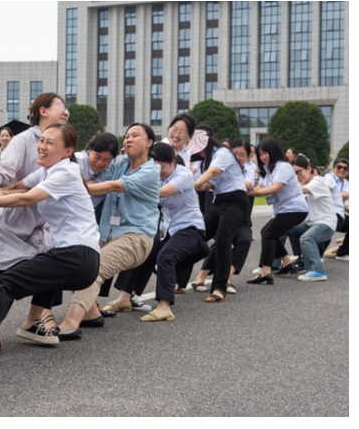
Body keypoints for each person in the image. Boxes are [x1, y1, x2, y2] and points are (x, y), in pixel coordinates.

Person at [0, 124, 100, 363]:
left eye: (50, 143)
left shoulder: (65, 172)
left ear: (68, 151)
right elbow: (19, 186)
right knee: (40, 257)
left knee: (5, 283)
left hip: (77, 255)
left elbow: (25, 198)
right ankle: (31, 324)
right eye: (41, 140)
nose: (42, 147)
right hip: (75, 257)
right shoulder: (46, 171)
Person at [0, 93, 69, 334]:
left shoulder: (64, 145)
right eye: (61, 106)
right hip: (5, 220)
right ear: (43, 111)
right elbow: (4, 170)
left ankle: (32, 321)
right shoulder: (24, 140)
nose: (66, 111)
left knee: (51, 266)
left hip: (36, 221)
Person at [56, 123, 159, 338]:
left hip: (136, 236)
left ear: (149, 142)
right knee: (77, 262)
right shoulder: (119, 162)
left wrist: (71, 186)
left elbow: (111, 186)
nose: (129, 139)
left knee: (94, 269)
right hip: (106, 233)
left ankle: (70, 324)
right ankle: (91, 313)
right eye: (127, 135)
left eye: (135, 136)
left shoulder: (151, 170)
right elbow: (96, 178)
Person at [105, 143, 209, 322]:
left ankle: (164, 307)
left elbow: (160, 193)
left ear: (172, 162)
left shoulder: (183, 175)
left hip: (190, 228)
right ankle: (124, 298)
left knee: (165, 257)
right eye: (154, 168)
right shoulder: (153, 175)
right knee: (141, 250)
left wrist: (134, 186)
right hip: (167, 229)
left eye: (161, 167)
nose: (157, 172)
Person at [193, 126, 250, 303]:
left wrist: (193, 184)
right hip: (219, 201)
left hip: (236, 201)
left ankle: (219, 288)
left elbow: (212, 173)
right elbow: (213, 182)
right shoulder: (206, 159)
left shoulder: (222, 153)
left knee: (223, 240)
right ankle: (175, 272)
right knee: (197, 234)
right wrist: (205, 185)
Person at [247, 139, 309, 285]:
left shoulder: (283, 167)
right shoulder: (269, 170)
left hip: (295, 209)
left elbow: (274, 188)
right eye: (260, 154)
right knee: (266, 232)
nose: (263, 157)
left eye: (265, 153)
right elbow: (261, 186)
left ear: (274, 151)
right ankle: (287, 262)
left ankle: (265, 272)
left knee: (269, 234)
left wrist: (254, 193)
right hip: (284, 209)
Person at [285, 155, 337, 282]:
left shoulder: (317, 181)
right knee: (280, 229)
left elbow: (300, 191)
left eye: (299, 172)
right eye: (294, 174)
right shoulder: (303, 183)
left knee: (307, 238)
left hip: (326, 224)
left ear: (308, 168)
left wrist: (279, 187)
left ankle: (318, 271)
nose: (297, 176)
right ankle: (276, 264)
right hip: (311, 224)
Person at [323, 158, 349, 261]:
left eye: (345, 168)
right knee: (323, 235)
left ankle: (342, 253)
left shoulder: (346, 183)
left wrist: (335, 193)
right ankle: (305, 257)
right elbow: (326, 191)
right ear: (334, 168)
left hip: (339, 214)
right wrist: (339, 194)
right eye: (339, 167)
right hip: (326, 213)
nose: (342, 169)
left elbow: (346, 195)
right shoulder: (329, 177)